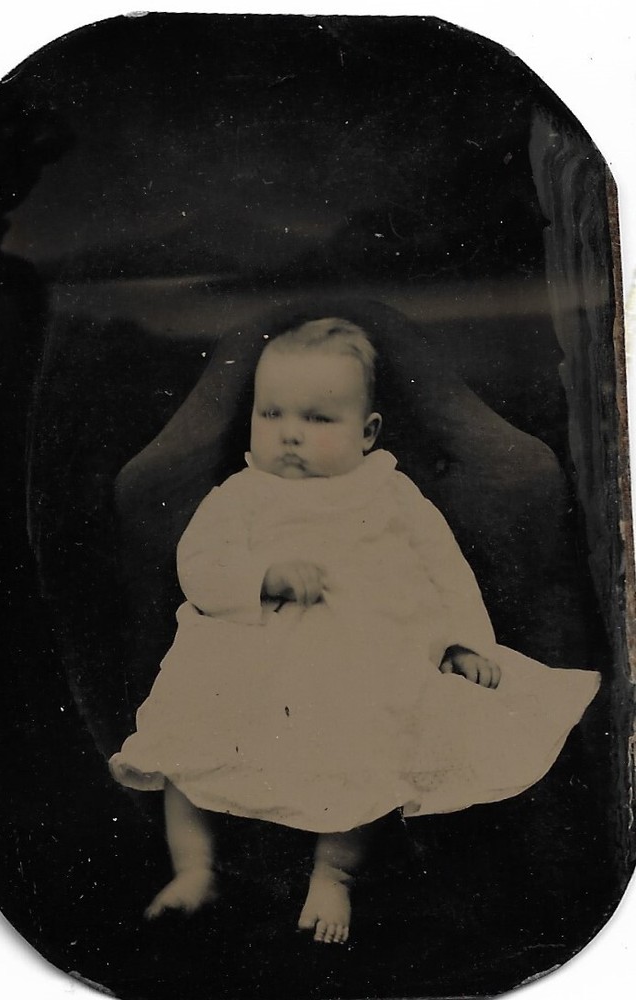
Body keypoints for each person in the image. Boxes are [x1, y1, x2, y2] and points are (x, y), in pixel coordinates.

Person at [109, 317, 600, 945]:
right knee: (184, 750)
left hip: (356, 661)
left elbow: (443, 570)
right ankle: (194, 868)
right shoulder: (242, 494)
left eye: (317, 420)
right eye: (272, 414)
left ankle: (334, 873)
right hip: (247, 657)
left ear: (367, 433)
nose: (289, 435)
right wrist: (261, 577)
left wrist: (462, 642)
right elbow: (199, 564)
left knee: (365, 757)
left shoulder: (391, 493)